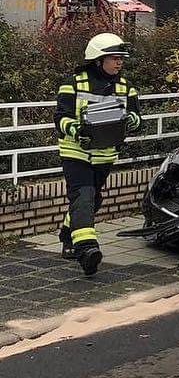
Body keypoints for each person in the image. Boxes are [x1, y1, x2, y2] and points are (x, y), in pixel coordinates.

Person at [54, 32, 142, 275]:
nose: (119, 63)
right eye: (114, 58)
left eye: (121, 59)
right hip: (76, 153)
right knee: (84, 196)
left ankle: (66, 235)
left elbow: (137, 117)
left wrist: (131, 120)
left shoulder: (126, 87)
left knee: (94, 199)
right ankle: (87, 250)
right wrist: (75, 128)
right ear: (97, 59)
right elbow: (60, 118)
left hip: (105, 155)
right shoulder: (73, 84)